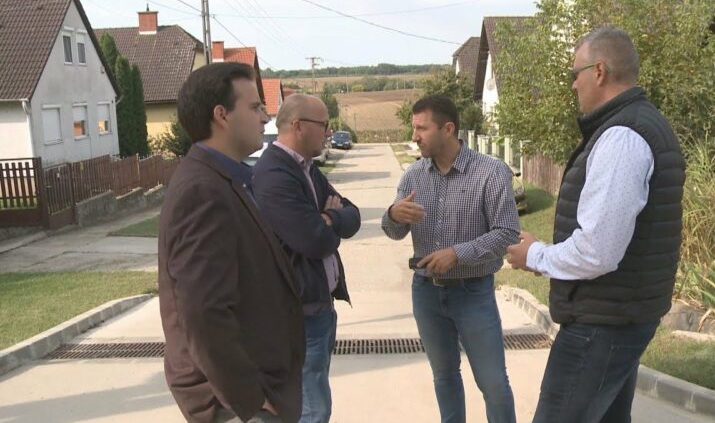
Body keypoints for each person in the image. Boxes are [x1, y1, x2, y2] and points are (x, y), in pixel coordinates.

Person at [506, 26, 686, 423]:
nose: (574, 84)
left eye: (576, 73)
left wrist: (535, 255)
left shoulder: (622, 137)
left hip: (602, 325)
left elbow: (598, 250)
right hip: (621, 316)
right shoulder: (639, 123)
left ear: (599, 71)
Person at [158, 62, 305, 423]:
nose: (265, 118)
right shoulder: (202, 191)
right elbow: (202, 312)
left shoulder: (225, 180)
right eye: (254, 107)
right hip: (233, 404)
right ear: (221, 115)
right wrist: (250, 402)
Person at [381, 95, 519, 423]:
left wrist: (458, 253)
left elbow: (507, 232)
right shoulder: (413, 176)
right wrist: (393, 214)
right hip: (426, 292)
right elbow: (394, 232)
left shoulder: (490, 172)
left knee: (493, 383)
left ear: (448, 129)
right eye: (414, 128)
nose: (414, 136)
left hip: (473, 292)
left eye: (421, 128)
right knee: (444, 377)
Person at [252, 94, 361, 423]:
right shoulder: (275, 174)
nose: (329, 132)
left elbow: (353, 215)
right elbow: (313, 240)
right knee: (312, 410)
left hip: (319, 308)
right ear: (298, 126)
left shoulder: (306, 169)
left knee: (315, 405)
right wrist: (327, 221)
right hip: (298, 315)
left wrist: (329, 218)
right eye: (324, 125)